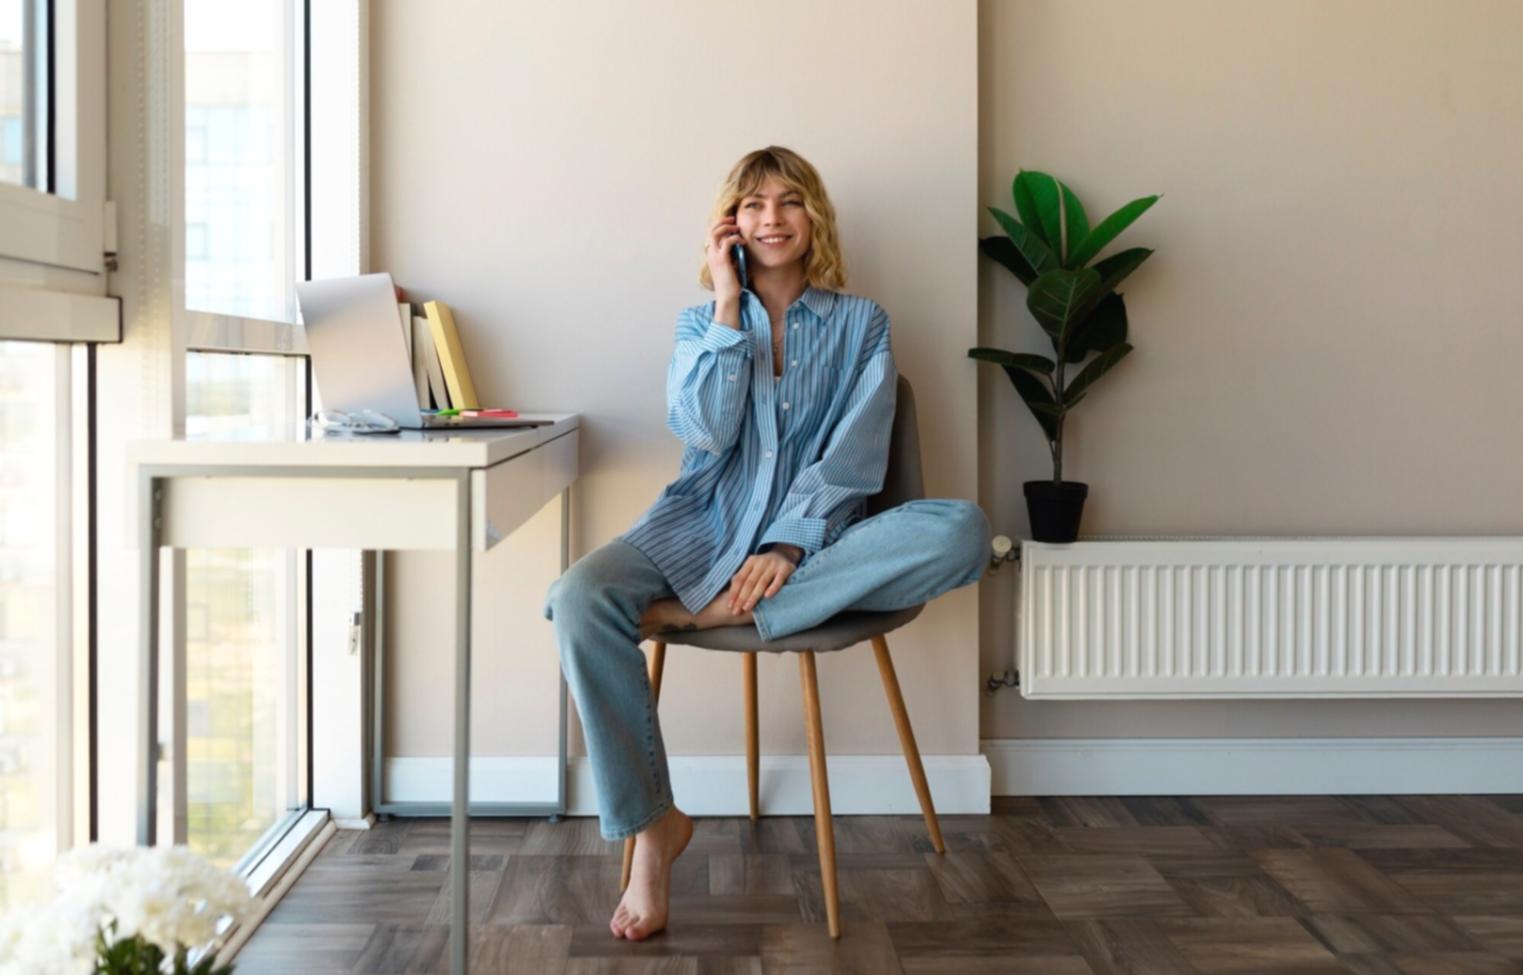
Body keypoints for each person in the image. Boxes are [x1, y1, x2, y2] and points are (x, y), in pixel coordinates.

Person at [542, 145, 990, 941]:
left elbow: (856, 458)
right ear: (730, 223)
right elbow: (704, 431)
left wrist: (787, 542)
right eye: (753, 204)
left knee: (960, 528)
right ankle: (655, 831)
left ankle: (698, 616)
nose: (772, 217)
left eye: (789, 201)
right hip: (693, 529)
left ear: (815, 216)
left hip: (820, 544)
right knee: (578, 596)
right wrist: (724, 304)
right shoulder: (697, 323)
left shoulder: (862, 322)